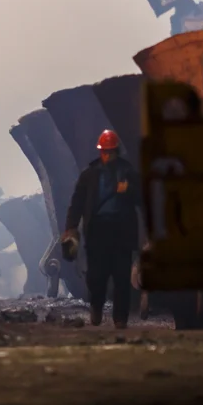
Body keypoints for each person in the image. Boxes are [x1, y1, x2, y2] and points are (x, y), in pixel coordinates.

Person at [63, 129, 142, 329]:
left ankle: (120, 319)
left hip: (121, 231)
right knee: (96, 276)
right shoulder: (89, 175)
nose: (108, 155)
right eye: (105, 151)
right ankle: (96, 305)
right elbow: (77, 203)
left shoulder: (128, 172)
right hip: (97, 232)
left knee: (122, 277)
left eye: (111, 151)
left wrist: (129, 190)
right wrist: (71, 228)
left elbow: (142, 198)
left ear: (117, 151)